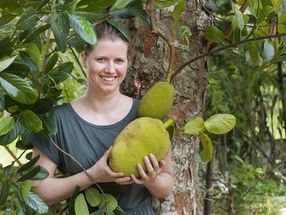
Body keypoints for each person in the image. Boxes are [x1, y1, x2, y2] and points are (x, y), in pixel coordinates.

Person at [31, 22, 174, 214]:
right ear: (84, 58)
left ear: (127, 63)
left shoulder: (147, 117)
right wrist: (93, 176)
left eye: (118, 61)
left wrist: (152, 180)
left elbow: (167, 186)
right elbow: (39, 191)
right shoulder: (57, 120)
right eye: (101, 59)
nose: (110, 69)